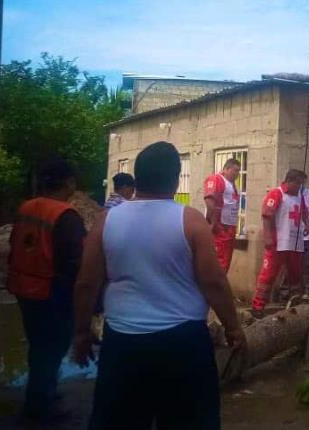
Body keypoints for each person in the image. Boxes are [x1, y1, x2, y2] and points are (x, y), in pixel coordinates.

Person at [71, 141, 246, 430]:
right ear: (176, 179)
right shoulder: (190, 221)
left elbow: (86, 283)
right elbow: (214, 282)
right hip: (183, 344)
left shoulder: (107, 221)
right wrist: (233, 328)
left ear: (137, 177)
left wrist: (80, 332)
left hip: (123, 343)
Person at [6, 159, 86, 422]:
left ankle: (40, 393)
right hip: (50, 290)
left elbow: (14, 242)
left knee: (38, 345)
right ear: (69, 183)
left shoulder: (27, 207)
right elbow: (75, 263)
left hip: (22, 286)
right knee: (52, 347)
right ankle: (41, 405)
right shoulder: (66, 216)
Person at [250, 169, 309, 318]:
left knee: (296, 275)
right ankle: (258, 306)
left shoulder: (300, 196)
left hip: (295, 243)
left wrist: (307, 225)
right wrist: (268, 238)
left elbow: (305, 212)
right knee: (268, 275)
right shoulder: (276, 193)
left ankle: (295, 302)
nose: (300, 187)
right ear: (290, 181)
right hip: (278, 243)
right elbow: (267, 215)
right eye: (298, 183)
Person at [203, 159, 241, 272]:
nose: (237, 174)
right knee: (218, 262)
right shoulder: (217, 179)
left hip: (229, 228)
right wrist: (212, 222)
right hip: (220, 228)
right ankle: (212, 288)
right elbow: (210, 201)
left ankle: (219, 286)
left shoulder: (232, 184)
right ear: (226, 169)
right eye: (235, 170)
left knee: (225, 261)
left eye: (239, 171)